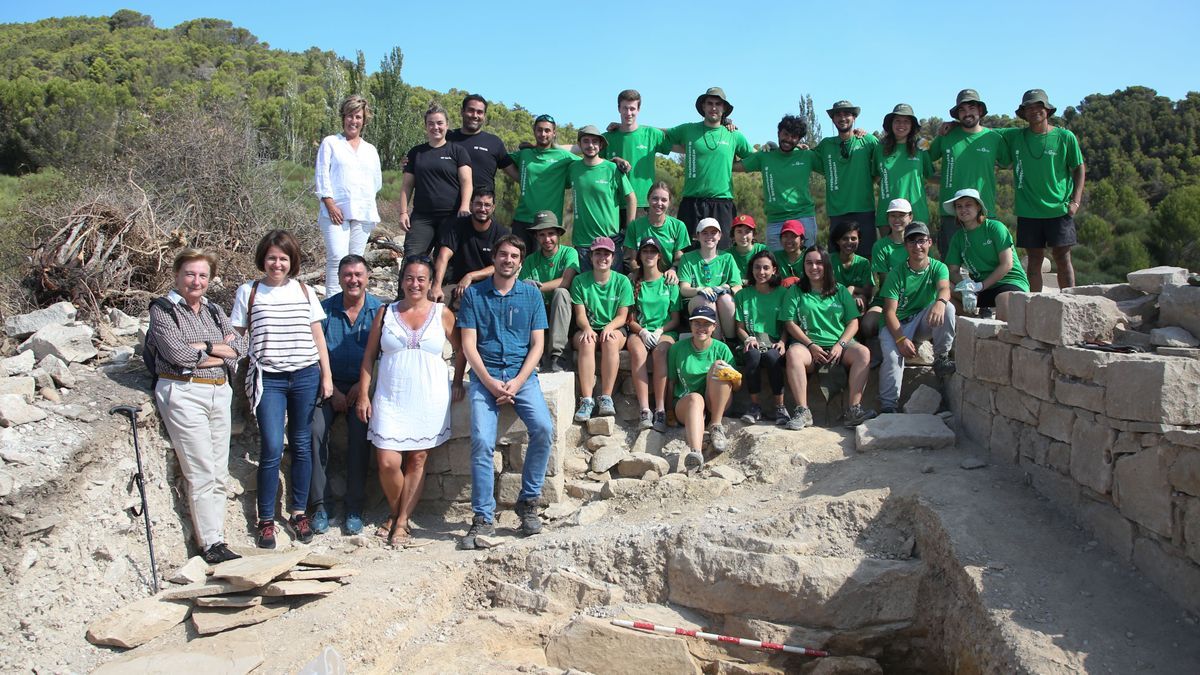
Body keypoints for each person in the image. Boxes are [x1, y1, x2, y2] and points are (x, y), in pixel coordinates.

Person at [231, 230, 334, 548]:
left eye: (284, 258)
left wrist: (326, 377)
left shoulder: (304, 291)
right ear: (263, 258)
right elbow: (235, 335)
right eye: (272, 257)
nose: (277, 263)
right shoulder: (249, 291)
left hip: (305, 375)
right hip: (269, 379)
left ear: (293, 262)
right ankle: (265, 519)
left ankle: (298, 512)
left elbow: (318, 337)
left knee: (303, 446)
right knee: (273, 446)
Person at [148, 249, 248, 564]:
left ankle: (217, 538)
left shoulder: (214, 310)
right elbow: (176, 354)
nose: (196, 281)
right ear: (177, 276)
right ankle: (211, 544)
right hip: (183, 391)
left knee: (219, 470)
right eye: (190, 274)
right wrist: (220, 350)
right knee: (201, 469)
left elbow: (241, 348)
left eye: (202, 275)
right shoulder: (163, 310)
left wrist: (203, 347)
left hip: (219, 390)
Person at [356, 255, 463, 545]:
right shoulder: (385, 312)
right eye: (409, 278)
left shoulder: (442, 313)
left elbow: (461, 349)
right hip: (391, 395)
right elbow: (369, 357)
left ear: (430, 283)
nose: (415, 284)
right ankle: (396, 510)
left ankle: (401, 521)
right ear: (402, 281)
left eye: (421, 279)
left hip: (429, 396)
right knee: (387, 461)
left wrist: (456, 381)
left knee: (417, 459)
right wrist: (364, 394)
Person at [457, 235, 555, 548]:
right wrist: (488, 381)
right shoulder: (474, 295)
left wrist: (517, 381)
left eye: (514, 256)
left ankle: (528, 502)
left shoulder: (531, 295)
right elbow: (468, 344)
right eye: (502, 254)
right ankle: (483, 517)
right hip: (485, 377)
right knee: (483, 441)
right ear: (494, 259)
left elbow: (538, 344)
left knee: (543, 429)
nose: (508, 260)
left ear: (520, 262)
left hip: (521, 377)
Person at [309, 254, 382, 536]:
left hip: (363, 386)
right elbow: (315, 353)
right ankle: (320, 505)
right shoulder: (324, 310)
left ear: (367, 278)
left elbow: (380, 356)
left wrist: (359, 389)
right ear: (339, 278)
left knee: (361, 435)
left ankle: (354, 507)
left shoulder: (379, 310)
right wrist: (334, 391)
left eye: (358, 274)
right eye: (347, 274)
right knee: (314, 433)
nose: (353, 280)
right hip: (327, 385)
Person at [781, 246, 877, 430]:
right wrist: (810, 345)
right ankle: (803, 411)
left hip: (839, 345)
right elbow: (789, 323)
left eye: (818, 262)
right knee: (793, 354)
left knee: (863, 353)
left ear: (826, 265)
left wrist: (840, 345)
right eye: (809, 263)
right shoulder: (795, 291)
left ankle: (853, 411)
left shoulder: (840, 290)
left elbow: (853, 322)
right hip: (808, 346)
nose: (814, 267)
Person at [1000, 89, 1086, 291]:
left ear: (1047, 110)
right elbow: (981, 131)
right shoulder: (1016, 136)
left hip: (1059, 209)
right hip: (1029, 211)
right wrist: (954, 126)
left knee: (1063, 258)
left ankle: (1070, 301)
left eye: (1038, 106)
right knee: (1034, 261)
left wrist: (1076, 201)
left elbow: (1079, 167)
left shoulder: (1065, 137)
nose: (1034, 111)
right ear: (1024, 113)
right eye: (1029, 108)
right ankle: (1034, 305)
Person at [877, 222, 956, 415]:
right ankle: (888, 406)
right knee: (893, 357)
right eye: (912, 241)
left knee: (948, 308)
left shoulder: (938, 267)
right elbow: (889, 312)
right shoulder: (896, 273)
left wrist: (940, 302)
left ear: (930, 242)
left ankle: (941, 357)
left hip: (921, 320)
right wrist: (901, 339)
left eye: (921, 241)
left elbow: (945, 288)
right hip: (896, 323)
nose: (917, 246)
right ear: (906, 246)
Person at [663, 87, 755, 247]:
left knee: (722, 252)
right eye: (710, 103)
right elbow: (660, 134)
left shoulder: (734, 135)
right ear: (703, 107)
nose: (713, 107)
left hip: (722, 203)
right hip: (692, 203)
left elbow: (756, 157)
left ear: (724, 108)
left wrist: (730, 166)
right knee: (687, 252)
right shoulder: (689, 129)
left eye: (718, 104)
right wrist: (627, 127)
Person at [314, 94, 382, 297]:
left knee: (355, 262)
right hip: (335, 211)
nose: (354, 121)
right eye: (350, 116)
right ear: (343, 117)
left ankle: (353, 304)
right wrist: (329, 203)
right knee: (337, 257)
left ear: (364, 120)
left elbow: (376, 182)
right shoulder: (331, 143)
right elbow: (322, 174)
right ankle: (332, 303)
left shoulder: (370, 150)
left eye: (358, 117)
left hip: (363, 212)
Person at [929, 89, 1007, 256]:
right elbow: (925, 161)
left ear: (980, 110)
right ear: (957, 114)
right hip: (952, 211)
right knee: (950, 264)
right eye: (962, 110)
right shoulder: (946, 135)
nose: (967, 113)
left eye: (971, 108)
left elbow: (1009, 160)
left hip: (984, 211)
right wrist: (942, 180)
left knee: (987, 262)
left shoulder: (994, 138)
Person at [570, 236, 633, 421]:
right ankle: (587, 400)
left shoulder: (622, 281)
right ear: (591, 256)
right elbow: (580, 315)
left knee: (611, 340)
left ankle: (606, 397)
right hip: (587, 326)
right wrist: (588, 328)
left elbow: (622, 316)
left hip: (614, 327)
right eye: (598, 253)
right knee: (587, 341)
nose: (602, 257)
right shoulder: (580, 281)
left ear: (613, 257)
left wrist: (609, 327)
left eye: (606, 254)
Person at [399, 103, 473, 258]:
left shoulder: (458, 151)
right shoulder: (416, 152)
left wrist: (465, 206)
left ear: (447, 125)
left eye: (439, 123)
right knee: (412, 260)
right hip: (422, 217)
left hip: (451, 217)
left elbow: (467, 182)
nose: (435, 127)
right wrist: (403, 212)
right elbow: (407, 186)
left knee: (445, 265)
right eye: (431, 123)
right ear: (426, 126)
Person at [735, 114, 819, 250]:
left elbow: (833, 165)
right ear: (779, 133)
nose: (788, 139)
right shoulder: (765, 156)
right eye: (786, 134)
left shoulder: (807, 155)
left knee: (807, 263)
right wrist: (730, 132)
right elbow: (734, 166)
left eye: (794, 137)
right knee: (775, 266)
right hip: (775, 221)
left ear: (799, 139)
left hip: (803, 217)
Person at [668, 305, 736, 471]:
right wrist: (668, 409)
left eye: (706, 324)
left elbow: (737, 385)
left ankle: (716, 425)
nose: (701, 328)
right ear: (690, 325)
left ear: (714, 327)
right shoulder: (677, 348)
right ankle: (696, 453)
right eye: (696, 323)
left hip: (715, 403)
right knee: (695, 398)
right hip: (687, 404)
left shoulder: (722, 349)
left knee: (718, 368)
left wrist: (723, 371)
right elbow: (670, 382)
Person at [943, 188, 1030, 318]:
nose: (963, 209)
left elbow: (1006, 264)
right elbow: (952, 270)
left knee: (1003, 302)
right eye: (959, 206)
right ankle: (974, 324)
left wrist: (981, 286)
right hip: (979, 289)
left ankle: (998, 336)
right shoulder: (958, 237)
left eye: (968, 205)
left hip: (1009, 282)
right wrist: (966, 287)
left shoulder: (995, 228)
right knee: (942, 288)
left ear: (978, 207)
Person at [626, 236, 681, 432]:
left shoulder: (669, 282)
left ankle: (660, 409)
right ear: (639, 255)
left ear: (659, 255)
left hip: (664, 330)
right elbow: (629, 318)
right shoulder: (632, 282)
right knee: (638, 353)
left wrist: (659, 330)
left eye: (653, 251)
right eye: (645, 251)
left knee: (660, 353)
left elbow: (675, 318)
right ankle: (644, 410)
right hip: (639, 330)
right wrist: (642, 331)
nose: (649, 255)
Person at [813, 100, 881, 254]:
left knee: (866, 257)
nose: (842, 118)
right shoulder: (825, 145)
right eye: (838, 114)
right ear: (833, 119)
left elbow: (882, 164)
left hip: (864, 209)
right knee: (836, 259)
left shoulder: (868, 141)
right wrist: (800, 147)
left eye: (847, 114)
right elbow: (807, 158)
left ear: (854, 117)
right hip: (837, 212)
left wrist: (869, 181)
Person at [518, 211, 579, 373]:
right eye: (542, 234)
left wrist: (535, 287)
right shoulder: (531, 260)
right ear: (536, 237)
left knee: (561, 293)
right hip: (540, 312)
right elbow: (522, 289)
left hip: (565, 313)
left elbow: (565, 281)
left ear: (558, 234)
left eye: (551, 234)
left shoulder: (569, 253)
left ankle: (558, 355)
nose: (547, 239)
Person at [569, 125, 636, 272]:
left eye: (594, 141)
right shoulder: (573, 168)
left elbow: (631, 198)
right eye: (586, 141)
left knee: (611, 290)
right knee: (586, 290)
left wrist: (629, 231)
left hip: (610, 241)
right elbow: (553, 152)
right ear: (579, 145)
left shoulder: (612, 168)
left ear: (600, 145)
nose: (590, 145)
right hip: (583, 243)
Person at [504, 114, 577, 249]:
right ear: (534, 131)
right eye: (539, 130)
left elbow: (589, 163)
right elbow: (502, 161)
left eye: (547, 130)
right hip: (522, 219)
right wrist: (520, 178)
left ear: (554, 133)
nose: (543, 134)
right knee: (518, 264)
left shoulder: (563, 156)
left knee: (542, 266)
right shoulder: (525, 154)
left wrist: (615, 161)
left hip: (547, 223)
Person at [733, 250, 788, 425]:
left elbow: (788, 324)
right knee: (752, 356)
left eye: (766, 268)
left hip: (775, 342)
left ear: (774, 270)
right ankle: (755, 406)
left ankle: (780, 407)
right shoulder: (742, 294)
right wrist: (748, 339)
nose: (761, 272)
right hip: (752, 341)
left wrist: (783, 342)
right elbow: (739, 328)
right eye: (757, 267)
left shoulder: (782, 293)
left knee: (773, 358)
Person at [431, 188, 510, 308]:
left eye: (487, 205)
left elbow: (500, 265)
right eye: (478, 204)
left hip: (489, 287)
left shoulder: (501, 233)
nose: (482, 209)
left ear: (493, 208)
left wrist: (471, 276)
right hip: (458, 286)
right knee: (434, 304)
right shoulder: (457, 226)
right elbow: (443, 256)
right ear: (471, 205)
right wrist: (436, 286)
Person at [603, 89, 671, 226]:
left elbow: (681, 139)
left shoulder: (651, 134)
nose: (628, 113)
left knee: (645, 247)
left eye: (632, 109)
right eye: (625, 108)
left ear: (639, 109)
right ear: (618, 109)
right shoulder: (606, 138)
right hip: (613, 205)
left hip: (644, 205)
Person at [677, 218, 741, 339]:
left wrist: (726, 288)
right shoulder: (687, 258)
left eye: (713, 233)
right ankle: (714, 342)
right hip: (696, 301)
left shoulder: (727, 258)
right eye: (705, 233)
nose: (709, 236)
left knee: (726, 300)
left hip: (722, 302)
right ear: (698, 236)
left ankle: (731, 342)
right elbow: (684, 289)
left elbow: (737, 286)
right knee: (706, 301)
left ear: (720, 235)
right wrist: (700, 290)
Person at [873, 104, 934, 228]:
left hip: (916, 212)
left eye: (906, 121)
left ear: (912, 125)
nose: (901, 125)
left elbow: (930, 175)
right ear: (891, 124)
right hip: (888, 213)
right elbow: (876, 178)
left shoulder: (922, 146)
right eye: (897, 121)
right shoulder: (880, 148)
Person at [862, 199, 914, 338]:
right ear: (888, 218)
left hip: (915, 297)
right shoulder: (880, 246)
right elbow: (885, 281)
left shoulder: (918, 243)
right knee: (868, 325)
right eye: (893, 215)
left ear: (910, 217)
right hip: (887, 298)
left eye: (901, 215)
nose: (897, 219)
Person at [447, 93, 513, 193]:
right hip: (448, 206)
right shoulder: (447, 138)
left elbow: (517, 175)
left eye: (479, 112)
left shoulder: (494, 142)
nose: (475, 115)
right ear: (462, 111)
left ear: (484, 116)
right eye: (471, 110)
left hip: (481, 206)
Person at [623, 181, 690, 278]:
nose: (659, 203)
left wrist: (673, 270)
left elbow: (678, 258)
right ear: (648, 199)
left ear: (669, 202)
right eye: (655, 199)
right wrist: (639, 272)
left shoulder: (679, 226)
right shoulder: (634, 226)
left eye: (664, 200)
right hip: (644, 276)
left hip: (668, 277)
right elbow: (632, 260)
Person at [830, 221, 874, 312]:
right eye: (845, 239)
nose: (849, 242)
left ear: (859, 240)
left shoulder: (863, 263)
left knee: (860, 299)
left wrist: (852, 288)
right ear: (838, 241)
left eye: (853, 238)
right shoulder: (829, 260)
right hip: (833, 300)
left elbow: (868, 292)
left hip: (856, 299)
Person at [728, 214, 767, 286]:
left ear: (753, 234)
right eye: (739, 232)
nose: (743, 236)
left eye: (747, 231)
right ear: (733, 235)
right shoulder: (727, 255)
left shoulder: (763, 250)